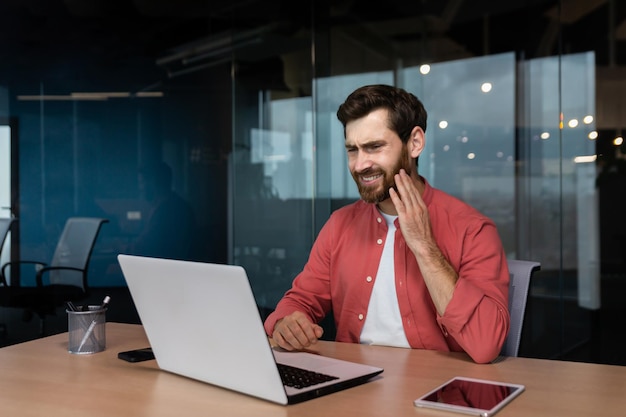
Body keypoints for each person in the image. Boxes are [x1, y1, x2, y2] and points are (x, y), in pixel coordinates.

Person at [263, 84, 510, 364]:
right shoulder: (340, 224)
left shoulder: (473, 229)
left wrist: (425, 248)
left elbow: (486, 344)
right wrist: (286, 324)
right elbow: (299, 301)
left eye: (374, 147)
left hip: (438, 391)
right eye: (352, 150)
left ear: (414, 143)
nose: (359, 165)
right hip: (353, 386)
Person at [129, 161, 197, 260]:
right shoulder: (176, 204)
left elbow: (144, 248)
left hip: (162, 269)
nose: (140, 188)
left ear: (154, 182)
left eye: (142, 182)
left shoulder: (166, 211)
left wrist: (119, 247)